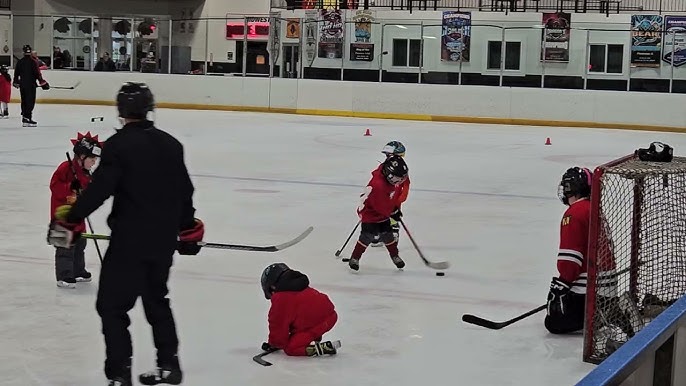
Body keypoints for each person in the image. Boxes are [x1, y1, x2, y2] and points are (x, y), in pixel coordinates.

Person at [47, 82, 204, 386]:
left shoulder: (118, 146)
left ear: (121, 112)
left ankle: (119, 373)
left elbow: (101, 190)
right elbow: (185, 191)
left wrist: (70, 219)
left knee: (112, 307)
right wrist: (188, 228)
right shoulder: (171, 144)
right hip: (161, 242)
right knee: (157, 299)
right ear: (149, 108)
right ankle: (169, 364)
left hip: (128, 243)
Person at [49, 132, 102, 288]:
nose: (94, 163)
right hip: (62, 216)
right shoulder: (65, 168)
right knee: (65, 246)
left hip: (78, 217)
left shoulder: (85, 173)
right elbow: (55, 186)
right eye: (92, 159)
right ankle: (64, 275)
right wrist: (70, 189)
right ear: (81, 157)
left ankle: (78, 270)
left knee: (80, 244)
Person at [260, 263, 339, 356]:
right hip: (331, 316)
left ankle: (320, 349)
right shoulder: (297, 284)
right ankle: (314, 336)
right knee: (302, 320)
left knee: (291, 348)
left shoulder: (281, 298)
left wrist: (275, 343)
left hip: (317, 324)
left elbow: (278, 324)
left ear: (272, 286)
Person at [349, 155, 409, 271]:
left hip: (383, 212)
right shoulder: (378, 186)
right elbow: (380, 205)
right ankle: (355, 258)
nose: (398, 182)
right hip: (370, 214)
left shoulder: (387, 177)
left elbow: (388, 200)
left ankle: (394, 255)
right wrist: (393, 212)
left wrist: (394, 207)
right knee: (367, 236)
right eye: (396, 179)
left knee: (388, 235)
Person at [372, 141, 410, 247]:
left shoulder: (400, 168)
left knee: (393, 215)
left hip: (395, 197)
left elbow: (406, 183)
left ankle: (393, 232)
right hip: (383, 195)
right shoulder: (384, 166)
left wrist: (401, 198)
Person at [13, 44, 49, 127]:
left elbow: (16, 74)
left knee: (24, 100)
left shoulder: (20, 61)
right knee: (30, 101)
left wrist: (16, 82)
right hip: (31, 85)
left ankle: (25, 118)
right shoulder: (33, 62)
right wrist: (43, 83)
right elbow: (37, 74)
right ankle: (28, 117)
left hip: (23, 85)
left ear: (23, 52)